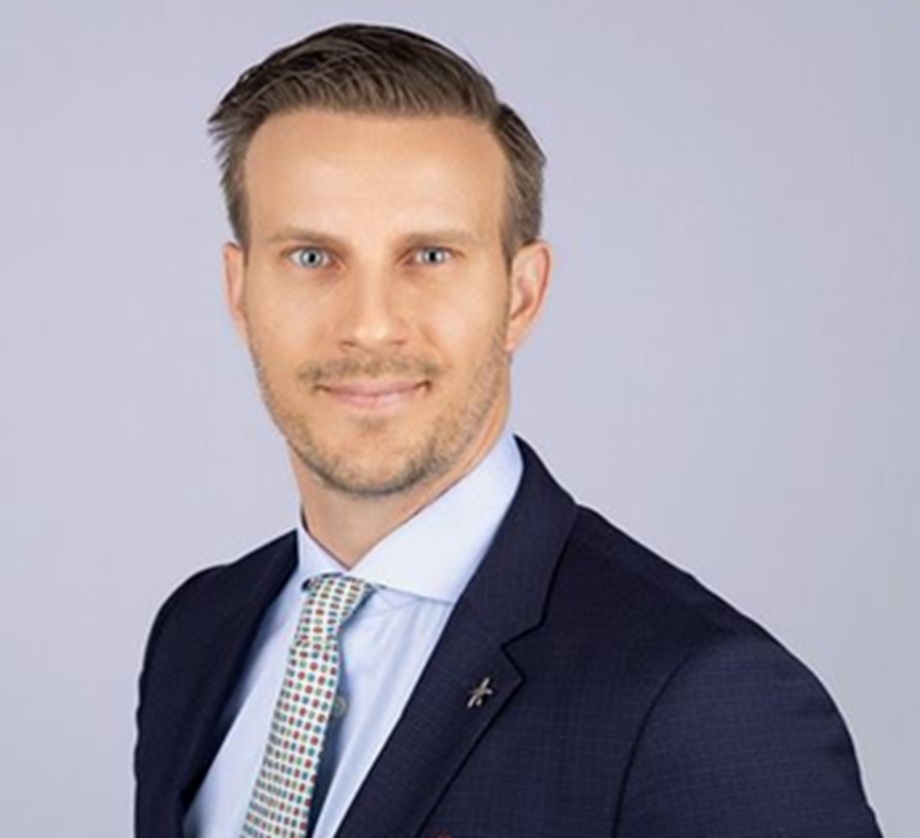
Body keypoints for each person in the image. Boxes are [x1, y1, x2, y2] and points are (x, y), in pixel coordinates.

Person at [134, 22, 882, 838]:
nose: (370, 325)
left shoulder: (702, 703)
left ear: (521, 296)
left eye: (429, 256)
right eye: (312, 258)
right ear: (240, 291)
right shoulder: (197, 634)